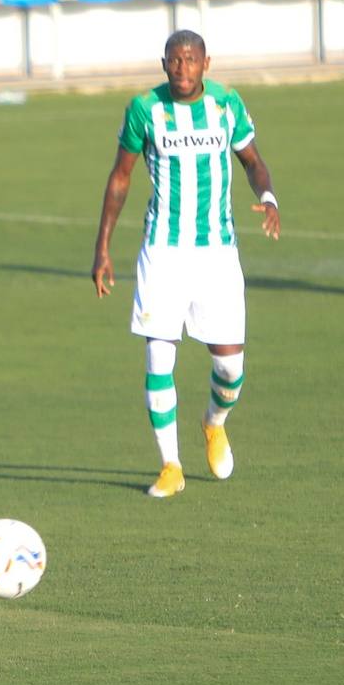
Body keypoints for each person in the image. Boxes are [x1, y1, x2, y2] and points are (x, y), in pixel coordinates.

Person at [92, 29, 280, 499]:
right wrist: (102, 248)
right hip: (163, 251)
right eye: (175, 61)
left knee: (230, 370)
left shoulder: (226, 105)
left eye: (191, 60)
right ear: (164, 64)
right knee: (159, 354)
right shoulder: (144, 110)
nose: (183, 69)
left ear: (206, 63)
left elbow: (253, 161)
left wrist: (269, 196)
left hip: (217, 251)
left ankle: (214, 423)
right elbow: (120, 178)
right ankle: (170, 465)